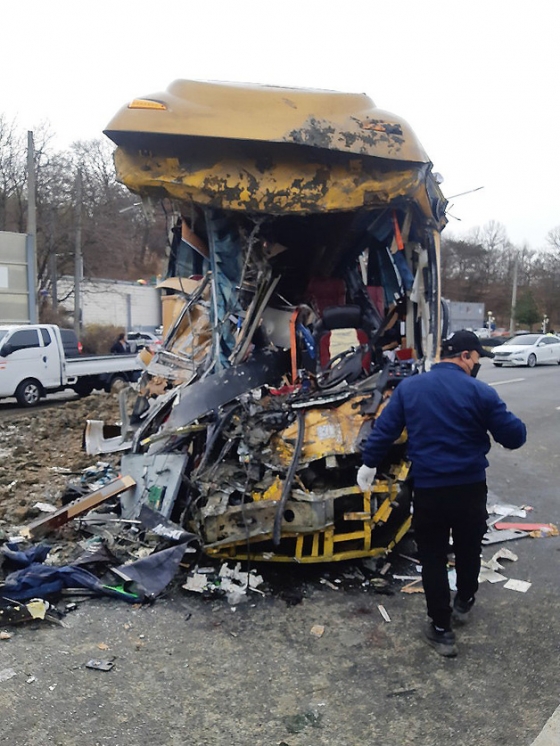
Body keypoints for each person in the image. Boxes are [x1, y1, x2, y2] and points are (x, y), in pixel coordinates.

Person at [357, 330, 527, 657]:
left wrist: (368, 465)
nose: (477, 364)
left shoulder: (410, 388)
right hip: (470, 488)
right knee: (467, 547)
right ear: (465, 356)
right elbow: (514, 436)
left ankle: (441, 630)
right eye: (477, 358)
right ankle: (464, 599)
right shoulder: (480, 392)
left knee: (432, 556)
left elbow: (384, 432)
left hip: (430, 489)